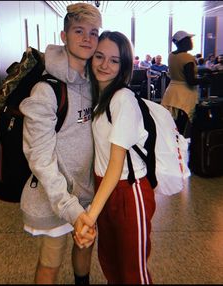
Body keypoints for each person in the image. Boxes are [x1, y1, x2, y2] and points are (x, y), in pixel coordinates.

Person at [19, 3, 102, 284]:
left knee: (84, 247)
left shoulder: (96, 83)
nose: (87, 38)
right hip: (52, 195)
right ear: (64, 36)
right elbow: (39, 158)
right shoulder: (46, 90)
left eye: (93, 32)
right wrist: (68, 207)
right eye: (79, 31)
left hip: (88, 192)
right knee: (50, 263)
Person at [74, 31, 156, 284]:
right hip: (105, 189)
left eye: (114, 60)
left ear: (124, 66)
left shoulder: (123, 99)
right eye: (99, 56)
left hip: (129, 191)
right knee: (111, 263)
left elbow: (115, 163)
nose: (104, 65)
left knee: (133, 271)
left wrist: (89, 216)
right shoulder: (98, 98)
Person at [161, 30, 208, 137]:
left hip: (172, 93)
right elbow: (190, 80)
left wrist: (202, 70)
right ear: (180, 42)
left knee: (173, 127)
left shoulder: (171, 55)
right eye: (188, 40)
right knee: (183, 129)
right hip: (184, 95)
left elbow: (182, 70)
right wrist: (204, 80)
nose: (191, 42)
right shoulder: (187, 57)